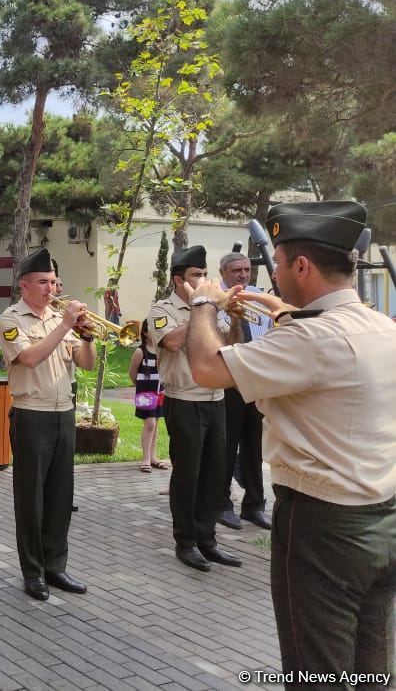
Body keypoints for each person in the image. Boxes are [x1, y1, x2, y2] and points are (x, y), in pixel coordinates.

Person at [184, 200, 396, 686]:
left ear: (301, 266)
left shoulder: (311, 339)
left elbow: (206, 368)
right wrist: (291, 315)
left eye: (277, 263)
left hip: (323, 528)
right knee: (373, 670)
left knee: (316, 672)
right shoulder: (383, 327)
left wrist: (204, 303)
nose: (273, 276)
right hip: (382, 518)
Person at [0, 247, 94, 601]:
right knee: (31, 499)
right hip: (31, 413)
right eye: (42, 282)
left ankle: (56, 566)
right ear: (23, 285)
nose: (50, 288)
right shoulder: (11, 320)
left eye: (52, 282)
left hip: (63, 412)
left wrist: (86, 336)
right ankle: (33, 571)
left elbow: (85, 363)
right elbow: (30, 358)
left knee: (60, 496)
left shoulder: (57, 318)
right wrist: (65, 325)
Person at [147, 245, 242, 573]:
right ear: (179, 280)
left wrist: (234, 317)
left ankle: (208, 539)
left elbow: (232, 345)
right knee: (188, 474)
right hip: (184, 399)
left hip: (216, 399)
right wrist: (202, 309)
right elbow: (172, 342)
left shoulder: (212, 308)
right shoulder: (162, 310)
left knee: (215, 473)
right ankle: (185, 542)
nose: (203, 280)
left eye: (204, 274)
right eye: (196, 275)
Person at [216, 251, 271, 531]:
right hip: (229, 379)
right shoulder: (214, 298)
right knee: (227, 444)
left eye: (247, 269)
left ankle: (255, 504)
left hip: (256, 377)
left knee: (255, 444)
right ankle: (222, 503)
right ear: (223, 272)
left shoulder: (258, 296)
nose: (243, 274)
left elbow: (270, 331)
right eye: (237, 270)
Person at [128, 319, 168, 473]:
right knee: (150, 423)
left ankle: (153, 456)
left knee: (156, 422)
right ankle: (145, 458)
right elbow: (132, 372)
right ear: (145, 333)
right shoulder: (140, 352)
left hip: (159, 391)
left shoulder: (161, 350)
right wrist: (140, 386)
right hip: (145, 392)